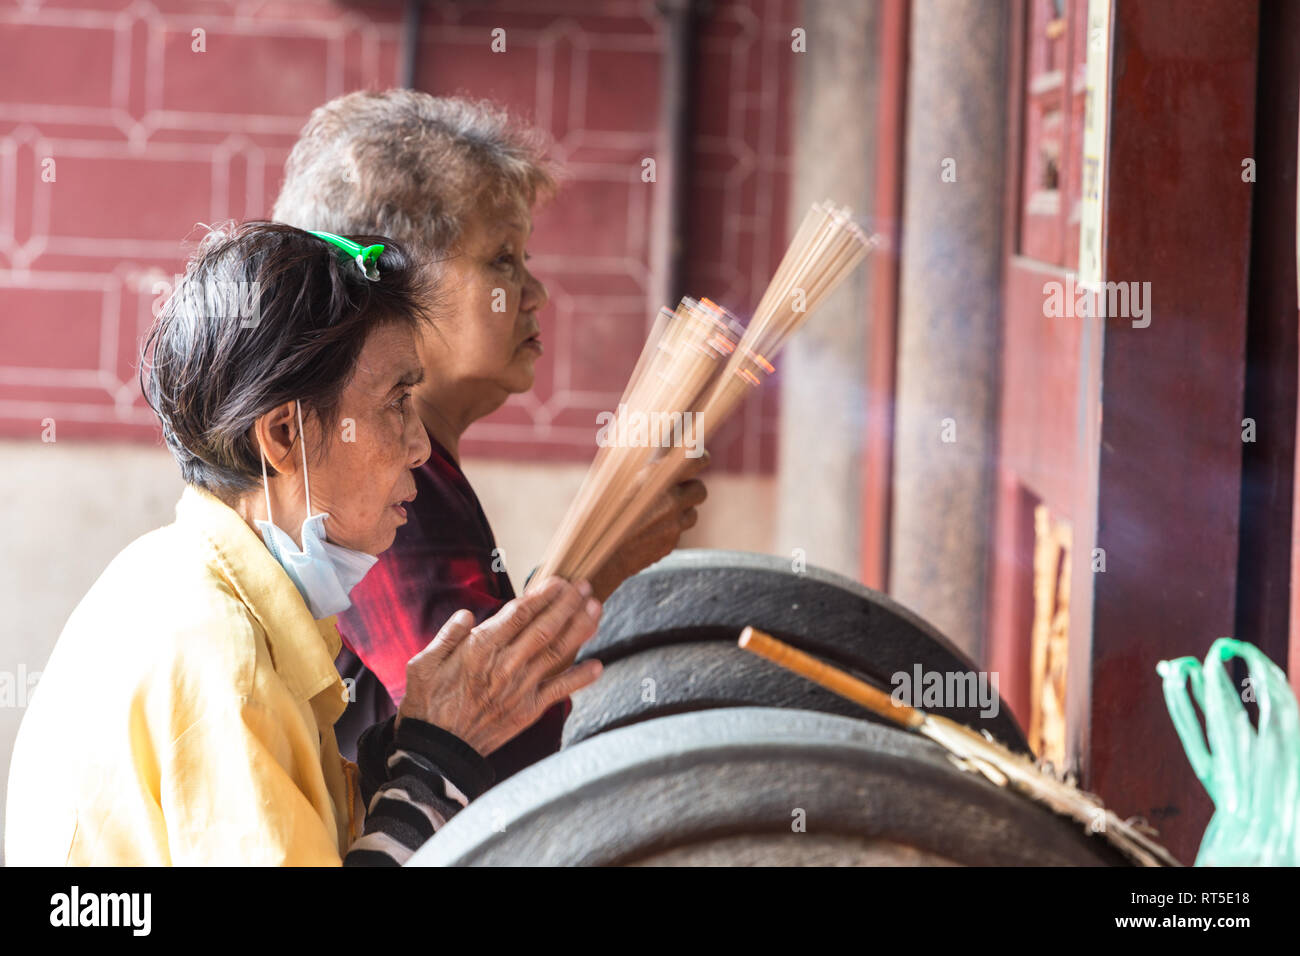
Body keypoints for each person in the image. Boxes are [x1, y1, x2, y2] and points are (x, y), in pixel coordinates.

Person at [4, 222, 603, 865]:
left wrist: (417, 739)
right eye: (396, 403)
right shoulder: (221, 653)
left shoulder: (176, 578)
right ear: (285, 436)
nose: (420, 445)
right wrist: (435, 752)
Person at [272, 91, 709, 771]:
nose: (533, 293)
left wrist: (602, 562)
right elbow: (480, 746)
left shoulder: (422, 469)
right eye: (502, 260)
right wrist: (600, 567)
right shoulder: (379, 483)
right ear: (391, 282)